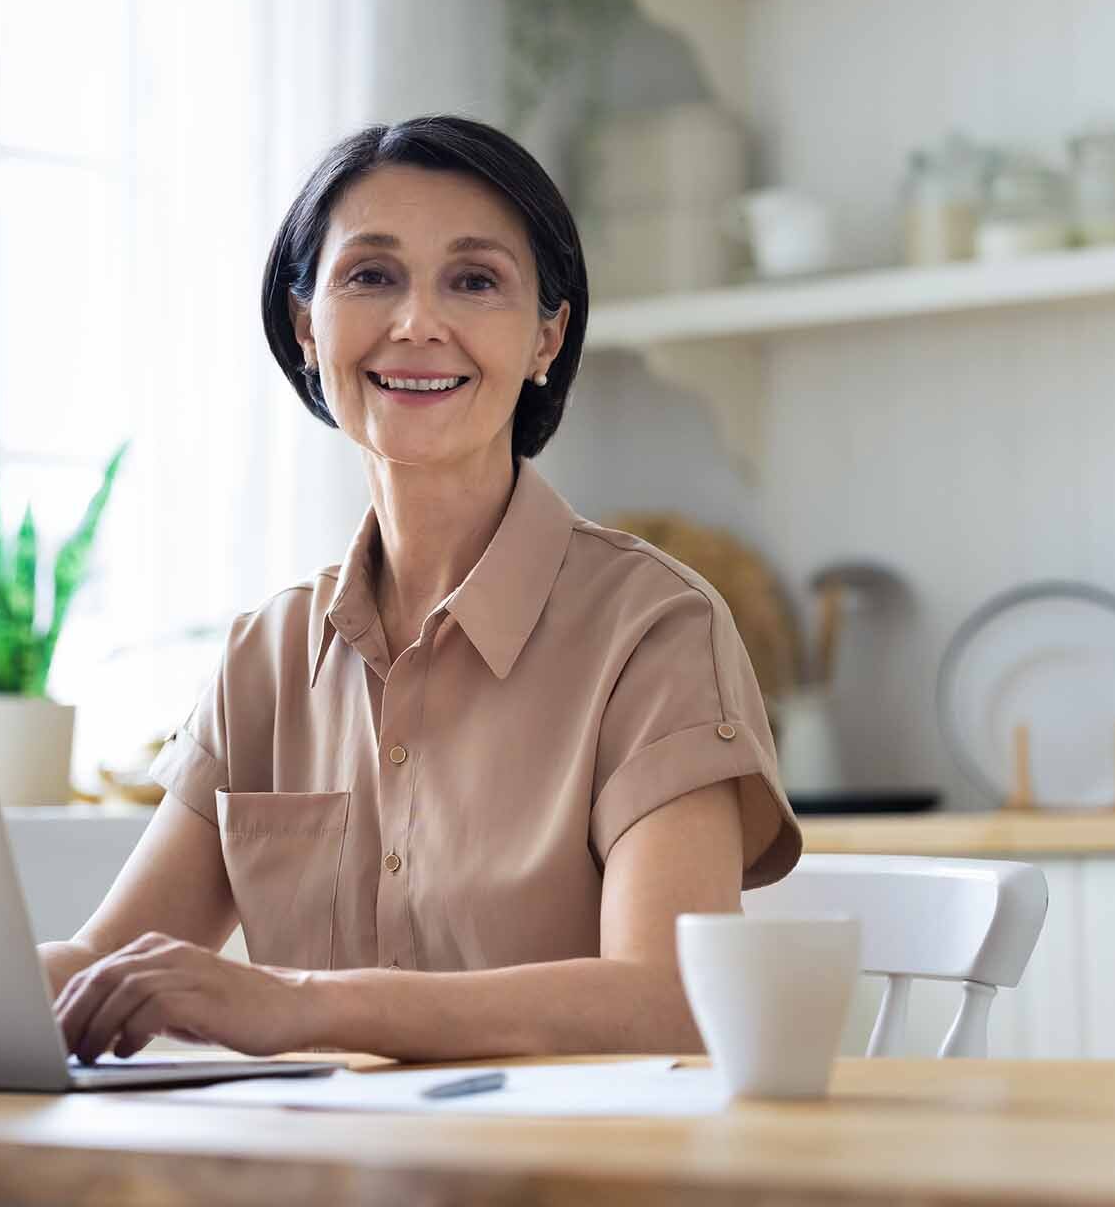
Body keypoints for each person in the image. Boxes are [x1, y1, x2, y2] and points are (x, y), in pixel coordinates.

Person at [42, 115, 800, 1065]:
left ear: (545, 341)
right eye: (371, 275)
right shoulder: (263, 659)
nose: (417, 324)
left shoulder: (656, 632)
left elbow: (673, 1002)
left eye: (475, 281)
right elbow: (98, 968)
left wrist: (303, 1003)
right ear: (304, 327)